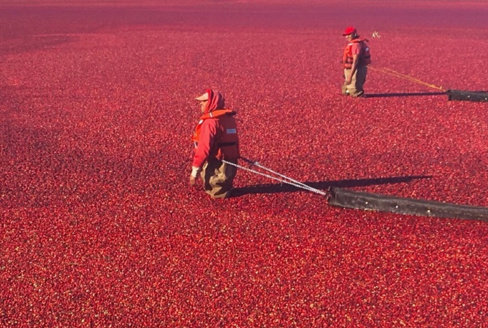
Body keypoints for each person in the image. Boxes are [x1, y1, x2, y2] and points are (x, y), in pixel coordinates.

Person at [189, 89, 239, 199]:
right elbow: (235, 140)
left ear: (212, 102)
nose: (200, 104)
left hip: (217, 163)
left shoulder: (210, 122)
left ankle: (222, 211)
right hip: (230, 161)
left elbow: (203, 148)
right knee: (225, 186)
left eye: (204, 101)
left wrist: (194, 172)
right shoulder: (229, 119)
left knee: (215, 191)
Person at [341, 26, 371, 97]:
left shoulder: (356, 45)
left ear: (354, 34)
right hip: (350, 68)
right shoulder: (353, 43)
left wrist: (350, 76)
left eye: (349, 35)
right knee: (347, 88)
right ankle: (348, 91)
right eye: (346, 35)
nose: (347, 37)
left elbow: (355, 61)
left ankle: (357, 94)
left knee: (355, 91)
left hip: (357, 69)